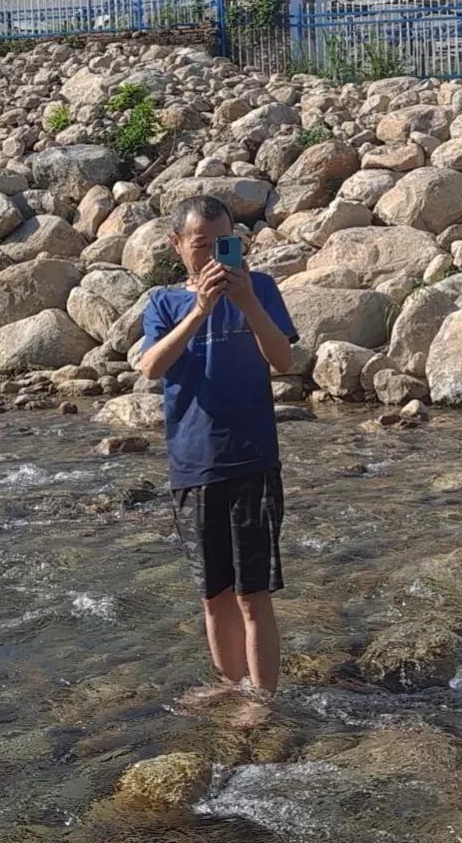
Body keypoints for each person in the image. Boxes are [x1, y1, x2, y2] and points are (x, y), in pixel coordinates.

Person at [138, 195, 298, 704]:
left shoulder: (262, 289)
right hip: (194, 463)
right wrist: (201, 310)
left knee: (254, 595)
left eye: (222, 244)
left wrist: (246, 301)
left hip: (252, 458)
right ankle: (231, 688)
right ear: (177, 245)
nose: (212, 258)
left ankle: (263, 701)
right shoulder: (165, 302)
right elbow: (151, 366)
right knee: (214, 596)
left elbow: (284, 360)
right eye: (201, 246)